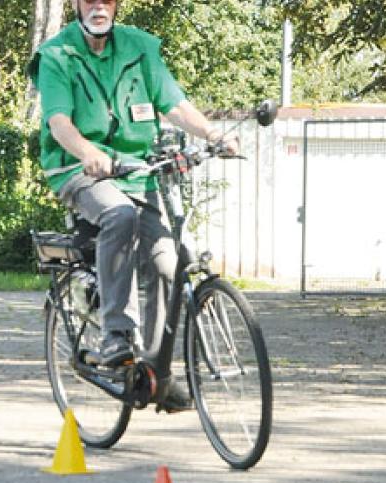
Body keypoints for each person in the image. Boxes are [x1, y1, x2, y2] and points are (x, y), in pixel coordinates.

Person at [28, 0, 237, 412]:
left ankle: (156, 372)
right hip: (80, 170)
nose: (98, 6)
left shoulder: (140, 48)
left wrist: (213, 134)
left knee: (167, 263)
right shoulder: (56, 54)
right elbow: (58, 122)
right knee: (119, 215)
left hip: (139, 172)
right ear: (76, 5)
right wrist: (88, 152)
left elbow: (174, 105)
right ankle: (116, 336)